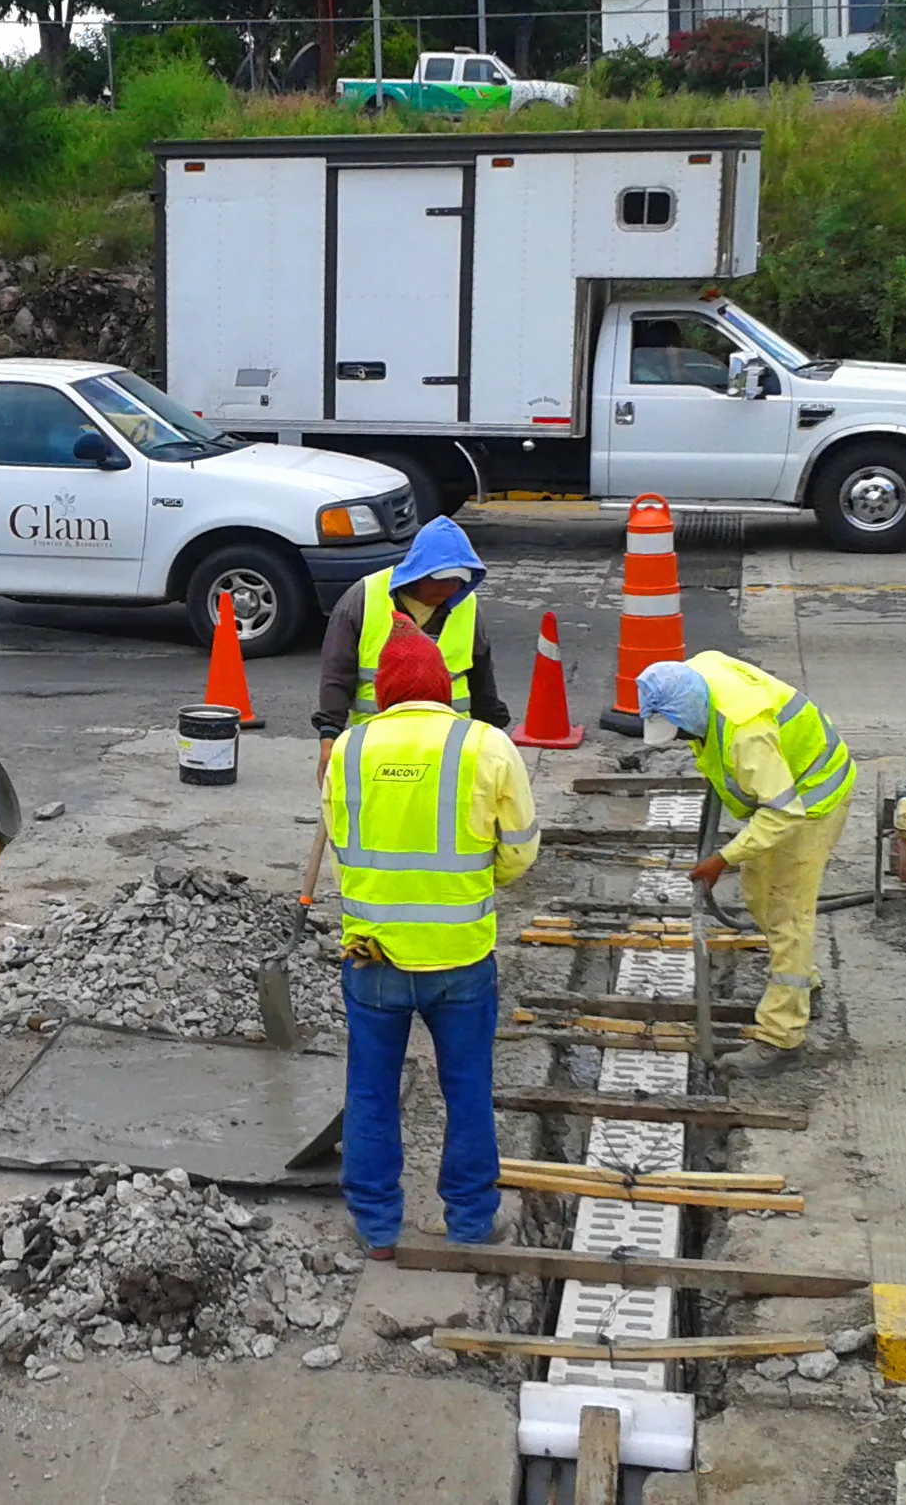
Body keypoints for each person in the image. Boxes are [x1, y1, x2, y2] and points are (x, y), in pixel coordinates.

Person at [322, 622, 540, 1257]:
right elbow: (521, 853)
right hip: (460, 957)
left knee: (369, 1089)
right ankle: (471, 1220)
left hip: (374, 957)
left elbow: (342, 837)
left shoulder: (348, 750)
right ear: (444, 689)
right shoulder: (487, 746)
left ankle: (376, 1227)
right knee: (467, 1086)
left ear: (385, 692)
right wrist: (475, 877)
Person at [634, 653, 858, 1077]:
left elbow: (784, 812)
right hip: (784, 795)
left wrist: (723, 858)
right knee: (759, 898)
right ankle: (803, 985)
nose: (680, 738)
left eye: (678, 730)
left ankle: (781, 1039)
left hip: (811, 801)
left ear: (687, 711)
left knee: (788, 915)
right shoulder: (700, 674)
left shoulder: (746, 734)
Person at [313, 514, 509, 782]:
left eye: (457, 581)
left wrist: (495, 742)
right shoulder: (364, 598)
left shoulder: (467, 605)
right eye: (440, 580)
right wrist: (329, 738)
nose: (448, 589)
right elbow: (337, 674)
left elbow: (482, 677)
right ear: (418, 572)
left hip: (448, 749)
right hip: (377, 747)